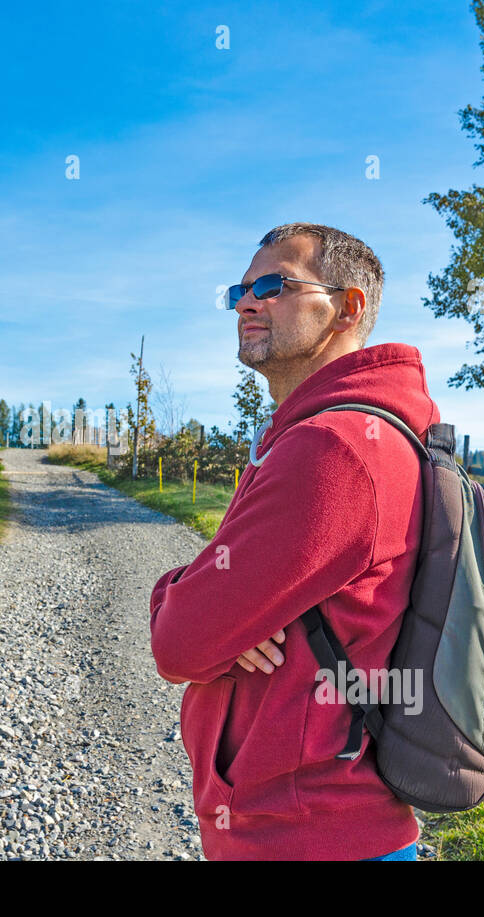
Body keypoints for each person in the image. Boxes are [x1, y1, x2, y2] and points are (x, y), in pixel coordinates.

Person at [149, 223, 438, 861]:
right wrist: (218, 608)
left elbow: (180, 645)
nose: (247, 303)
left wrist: (177, 595)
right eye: (241, 291)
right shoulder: (324, 433)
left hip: (310, 833)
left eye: (274, 285)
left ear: (347, 306)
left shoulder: (333, 449)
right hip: (307, 825)